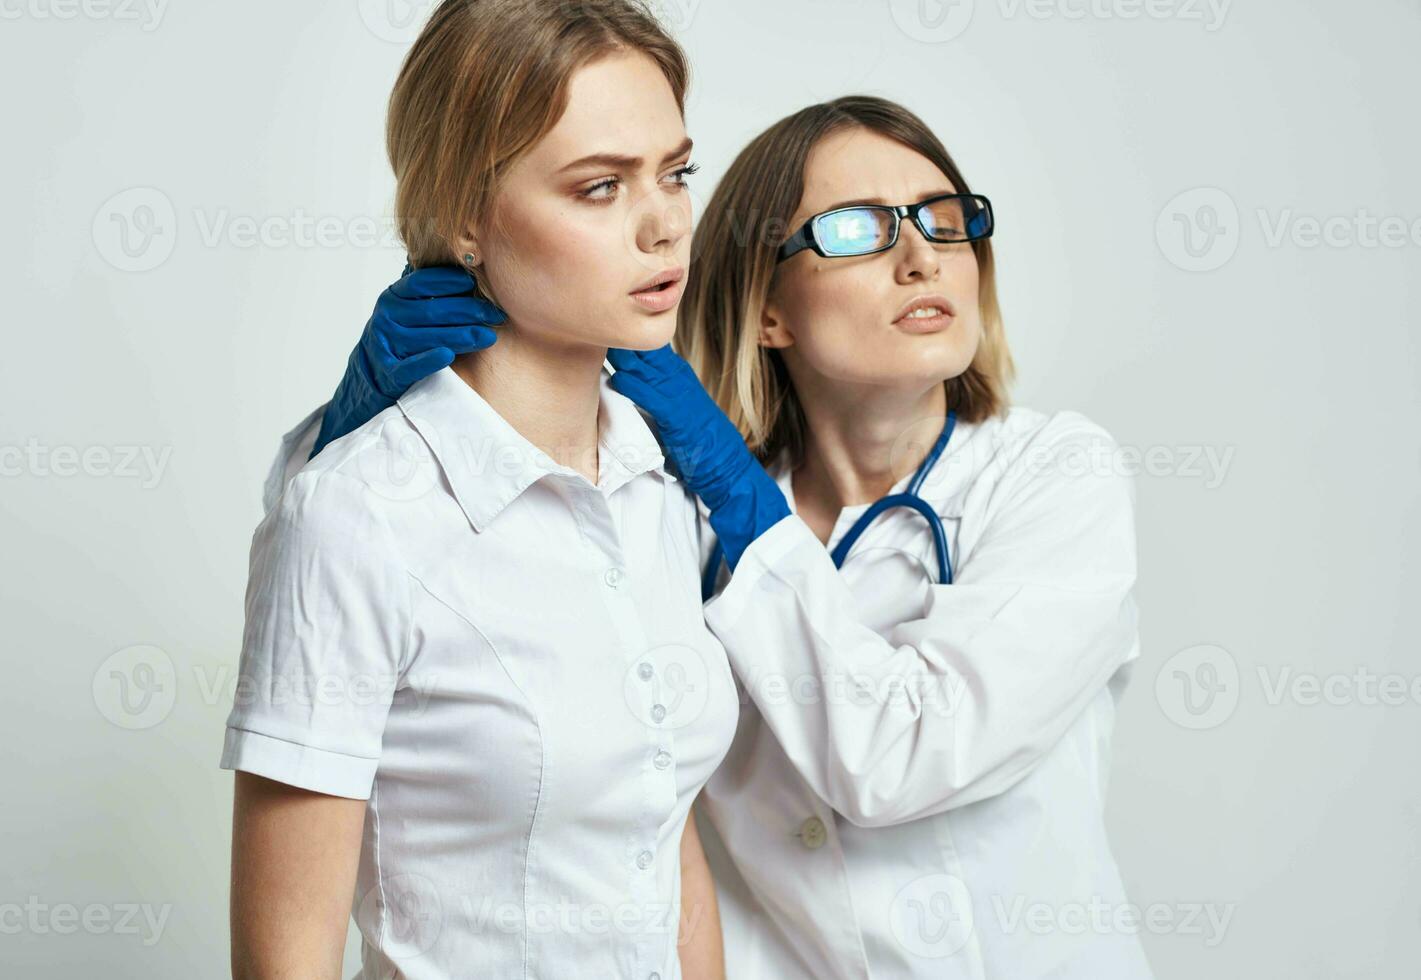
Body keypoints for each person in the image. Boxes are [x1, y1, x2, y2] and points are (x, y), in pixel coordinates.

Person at [282, 94, 1152, 979]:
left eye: (943, 218)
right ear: (765, 309)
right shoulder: (667, 507)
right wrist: (344, 439)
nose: (922, 256)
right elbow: (386, 599)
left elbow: (902, 756)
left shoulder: (1055, 476)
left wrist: (743, 506)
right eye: (857, 230)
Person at [219, 2, 736, 978]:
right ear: (464, 215)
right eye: (597, 187)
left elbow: (662, 836)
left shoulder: (655, 479)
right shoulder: (355, 512)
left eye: (674, 172)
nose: (666, 222)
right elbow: (285, 958)